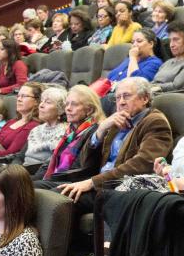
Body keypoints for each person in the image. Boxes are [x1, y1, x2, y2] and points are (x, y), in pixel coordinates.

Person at [51, 78, 173, 209]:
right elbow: (84, 160)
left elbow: (143, 164)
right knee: (36, 189)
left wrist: (92, 182)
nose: (121, 102)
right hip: (98, 182)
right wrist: (101, 129)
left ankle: (28, 230)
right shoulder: (117, 120)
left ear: (145, 99)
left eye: (126, 96)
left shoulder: (154, 122)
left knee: (54, 199)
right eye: (118, 97)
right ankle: (27, 230)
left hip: (118, 189)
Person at [21, 85, 68, 167]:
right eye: (42, 101)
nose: (41, 105)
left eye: (48, 102)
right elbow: (20, 157)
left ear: (60, 109)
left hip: (38, 176)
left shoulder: (65, 132)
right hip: (22, 172)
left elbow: (51, 165)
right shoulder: (36, 130)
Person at [151, 23, 184, 93]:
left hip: (169, 98)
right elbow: (154, 82)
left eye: (176, 40)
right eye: (170, 40)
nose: (171, 45)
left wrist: (156, 87)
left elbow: (176, 86)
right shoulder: (168, 62)